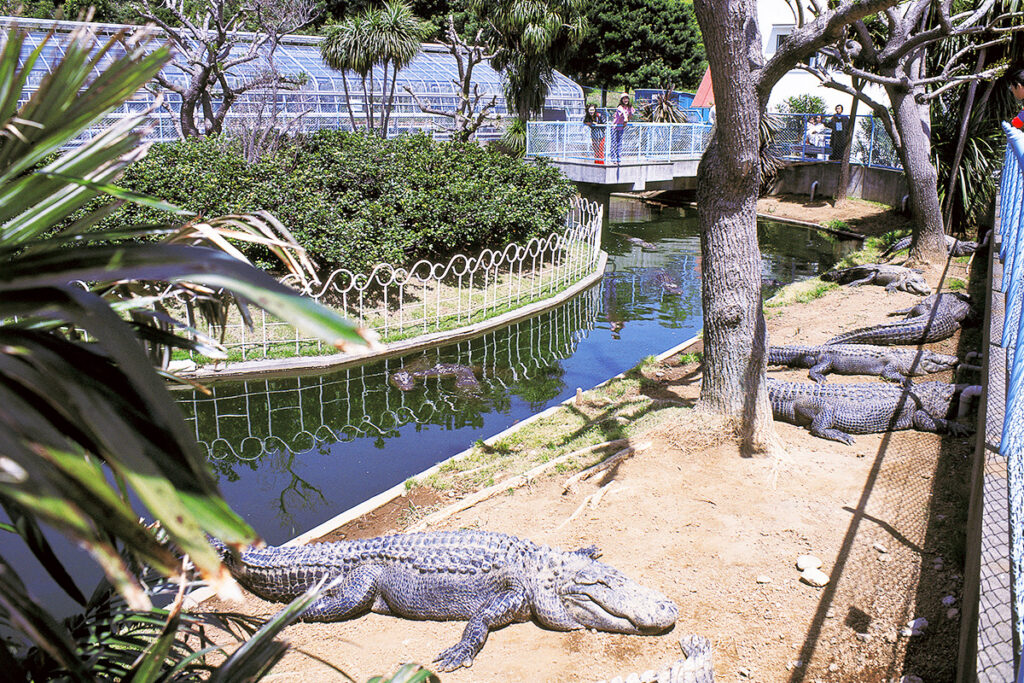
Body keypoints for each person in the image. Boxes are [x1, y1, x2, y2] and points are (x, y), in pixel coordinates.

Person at [611, 95, 634, 164]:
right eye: (624, 99)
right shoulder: (620, 107)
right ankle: (613, 158)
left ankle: (618, 158)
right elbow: (623, 114)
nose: (625, 100)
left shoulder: (629, 107)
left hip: (621, 127)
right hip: (615, 127)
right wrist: (625, 119)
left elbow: (631, 114)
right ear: (621, 100)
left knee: (619, 143)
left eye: (627, 98)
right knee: (613, 143)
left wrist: (627, 120)